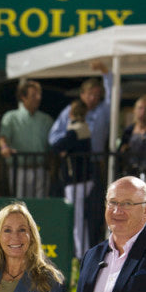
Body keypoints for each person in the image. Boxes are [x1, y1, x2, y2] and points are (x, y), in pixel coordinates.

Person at [0, 79, 53, 198]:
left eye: (39, 94)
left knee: (41, 205)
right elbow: (3, 137)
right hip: (19, 169)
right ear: (23, 97)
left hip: (41, 169)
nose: (38, 98)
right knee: (21, 205)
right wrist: (4, 148)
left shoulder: (46, 119)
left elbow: (52, 143)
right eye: (33, 95)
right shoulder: (11, 117)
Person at [53, 99, 94, 257]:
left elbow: (57, 146)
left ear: (71, 113)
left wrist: (64, 151)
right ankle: (83, 251)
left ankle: (82, 254)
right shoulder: (84, 128)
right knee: (79, 218)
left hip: (76, 181)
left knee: (77, 219)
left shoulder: (74, 130)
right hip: (83, 179)